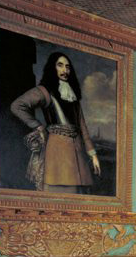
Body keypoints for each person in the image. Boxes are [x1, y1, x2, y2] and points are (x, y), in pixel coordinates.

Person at [11, 52, 100, 193]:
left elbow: (82, 126)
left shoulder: (72, 95)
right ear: (52, 67)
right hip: (57, 151)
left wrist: (92, 154)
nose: (65, 70)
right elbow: (17, 106)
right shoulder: (44, 91)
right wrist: (38, 126)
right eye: (60, 65)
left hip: (77, 152)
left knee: (77, 197)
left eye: (67, 67)